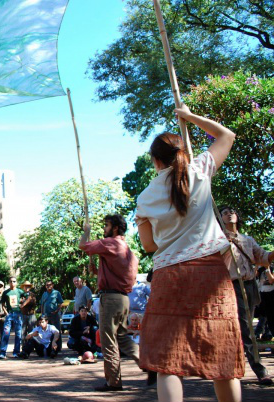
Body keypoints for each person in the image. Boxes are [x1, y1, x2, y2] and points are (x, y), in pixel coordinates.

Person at [135, 105, 243, 401]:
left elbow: (149, 246)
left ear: (156, 160)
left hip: (170, 273)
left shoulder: (145, 198)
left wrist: (172, 236)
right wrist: (187, 114)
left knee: (167, 361)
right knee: (223, 357)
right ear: (182, 152)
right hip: (211, 272)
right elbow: (226, 135)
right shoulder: (200, 171)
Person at [80, 214, 146, 392]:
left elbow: (83, 246)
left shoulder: (109, 243)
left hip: (110, 299)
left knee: (109, 341)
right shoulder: (126, 248)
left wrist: (86, 232)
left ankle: (113, 382)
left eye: (107, 225)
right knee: (123, 337)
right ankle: (147, 363)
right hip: (123, 299)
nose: (104, 229)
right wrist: (97, 271)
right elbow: (118, 273)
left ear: (115, 228)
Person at [219, 205, 274, 385]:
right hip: (231, 287)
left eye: (232, 212)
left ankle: (231, 366)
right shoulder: (217, 240)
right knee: (246, 329)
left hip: (250, 286)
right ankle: (260, 370)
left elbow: (262, 257)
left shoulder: (248, 240)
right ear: (220, 219)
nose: (229, 214)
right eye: (225, 213)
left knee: (245, 327)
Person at [0, 277, 25, 359]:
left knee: (18, 334)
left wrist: (22, 304)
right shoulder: (6, 292)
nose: (12, 283)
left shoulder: (19, 291)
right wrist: (6, 313)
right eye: (11, 281)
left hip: (18, 314)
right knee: (6, 333)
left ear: (16, 282)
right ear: (8, 282)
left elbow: (27, 297)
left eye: (14, 281)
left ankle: (16, 352)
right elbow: (2, 304)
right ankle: (3, 352)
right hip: (9, 314)